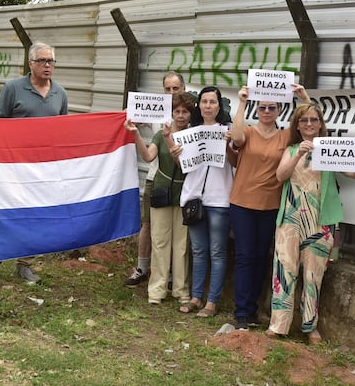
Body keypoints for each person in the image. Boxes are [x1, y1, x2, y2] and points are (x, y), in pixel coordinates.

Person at [265, 103, 355, 344]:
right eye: (304, 121)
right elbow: (280, 176)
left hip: (320, 221)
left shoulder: (329, 149)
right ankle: (278, 324)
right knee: (285, 269)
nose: (309, 124)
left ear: (321, 123)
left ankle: (309, 326)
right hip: (291, 219)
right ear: (297, 125)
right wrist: (298, 155)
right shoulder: (292, 149)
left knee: (315, 275)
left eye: (314, 120)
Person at [0, 42, 68, 287]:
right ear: (31, 64)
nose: (48, 65)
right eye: (42, 61)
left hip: (42, 167)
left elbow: (65, 130)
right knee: (3, 211)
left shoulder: (60, 93)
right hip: (12, 164)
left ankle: (24, 264)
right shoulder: (13, 88)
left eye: (51, 61)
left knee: (32, 215)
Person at [229, 84, 310, 331]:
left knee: (261, 257)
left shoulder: (286, 136)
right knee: (244, 256)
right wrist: (242, 101)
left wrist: (304, 98)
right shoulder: (248, 132)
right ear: (257, 108)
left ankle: (252, 309)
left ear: (278, 109)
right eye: (262, 107)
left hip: (271, 205)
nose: (266, 111)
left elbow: (311, 128)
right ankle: (241, 312)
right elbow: (235, 138)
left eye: (271, 107)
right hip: (242, 203)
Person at [124, 92, 195, 304]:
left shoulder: (193, 135)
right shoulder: (160, 134)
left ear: (190, 114)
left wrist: (169, 139)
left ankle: (181, 290)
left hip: (185, 193)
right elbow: (148, 156)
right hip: (162, 190)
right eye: (177, 111)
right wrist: (135, 133)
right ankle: (156, 289)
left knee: (181, 244)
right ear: (171, 113)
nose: (181, 116)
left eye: (185, 112)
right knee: (160, 240)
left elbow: (187, 166)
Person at [176, 86, 237, 318]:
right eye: (204, 101)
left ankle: (212, 302)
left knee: (217, 252)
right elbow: (184, 167)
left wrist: (229, 144)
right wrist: (176, 153)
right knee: (198, 250)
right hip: (194, 197)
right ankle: (196, 296)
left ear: (219, 106)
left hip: (219, 198)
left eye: (212, 102)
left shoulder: (228, 131)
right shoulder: (190, 132)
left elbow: (235, 162)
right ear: (198, 105)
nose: (208, 106)